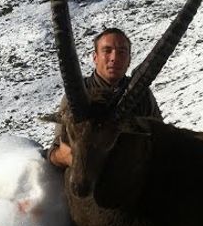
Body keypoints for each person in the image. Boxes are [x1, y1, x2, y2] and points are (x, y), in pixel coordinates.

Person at [49, 27, 162, 168]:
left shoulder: (143, 94)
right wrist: (66, 156)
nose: (114, 58)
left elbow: (161, 140)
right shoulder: (77, 94)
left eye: (122, 52)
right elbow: (54, 154)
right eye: (107, 51)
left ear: (129, 60)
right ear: (95, 57)